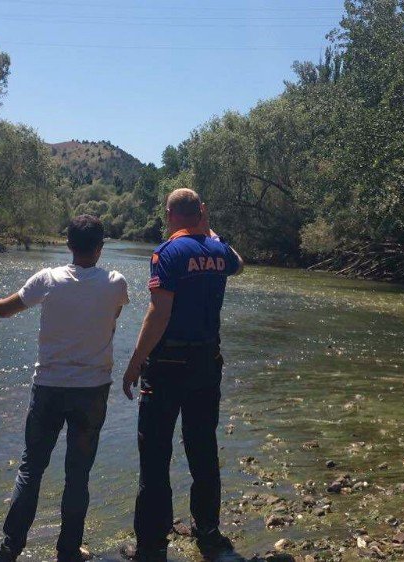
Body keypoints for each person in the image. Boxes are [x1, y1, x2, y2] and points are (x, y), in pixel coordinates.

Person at [0, 215, 130, 562]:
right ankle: (68, 551)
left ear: (68, 245)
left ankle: (10, 549)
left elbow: (5, 310)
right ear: (101, 247)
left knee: (31, 468)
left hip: (49, 387)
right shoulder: (116, 282)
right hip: (91, 389)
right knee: (78, 474)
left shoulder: (48, 279)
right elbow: (111, 322)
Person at [120, 189, 244, 562]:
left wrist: (134, 362)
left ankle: (153, 544)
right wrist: (211, 231)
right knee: (203, 448)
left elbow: (159, 314)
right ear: (200, 214)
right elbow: (240, 263)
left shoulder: (166, 253)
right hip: (207, 365)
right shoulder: (218, 251)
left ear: (170, 214)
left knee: (156, 455)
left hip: (168, 368)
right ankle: (206, 530)